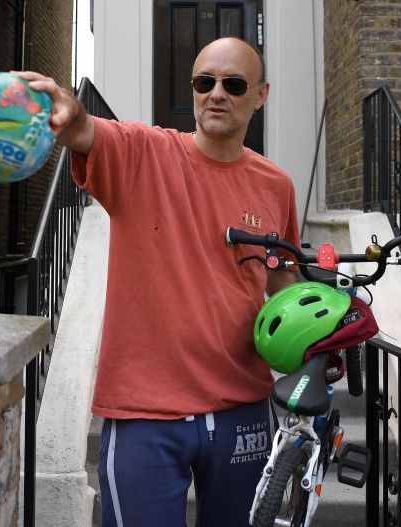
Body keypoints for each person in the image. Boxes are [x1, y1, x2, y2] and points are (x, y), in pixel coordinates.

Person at [16, 37, 300, 526]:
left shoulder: (276, 185)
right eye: (203, 81)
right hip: (145, 416)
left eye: (233, 84)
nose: (216, 94)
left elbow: (284, 283)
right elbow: (86, 130)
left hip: (243, 411)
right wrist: (67, 111)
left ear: (260, 95)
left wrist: (319, 330)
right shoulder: (144, 154)